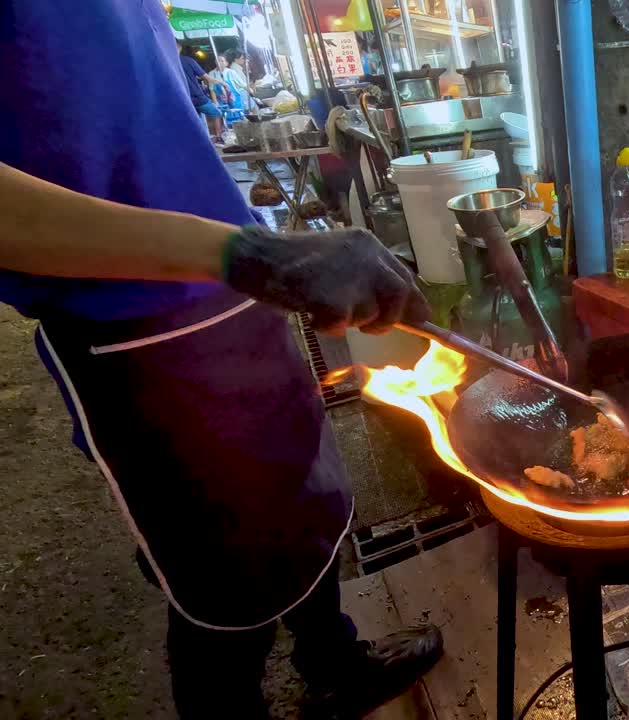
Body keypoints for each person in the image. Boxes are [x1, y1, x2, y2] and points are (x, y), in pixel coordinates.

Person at [1, 4, 443, 719]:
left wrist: (255, 253)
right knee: (225, 576)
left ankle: (332, 662)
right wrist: (247, 254)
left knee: (309, 500)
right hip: (133, 324)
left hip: (236, 285)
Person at [178, 41, 230, 139]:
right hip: (197, 96)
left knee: (197, 120)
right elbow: (207, 78)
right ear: (179, 47)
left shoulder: (167, 63)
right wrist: (222, 83)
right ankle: (219, 137)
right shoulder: (188, 61)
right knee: (216, 113)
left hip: (182, 98)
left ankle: (202, 139)